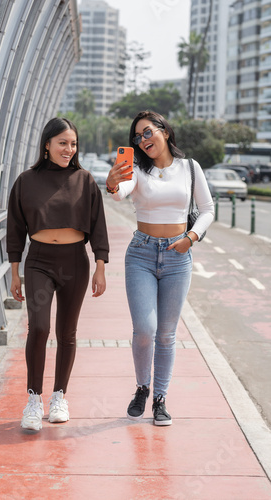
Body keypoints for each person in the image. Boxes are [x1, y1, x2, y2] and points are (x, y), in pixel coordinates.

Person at [106, 110, 214, 426]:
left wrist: (190, 238)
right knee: (145, 330)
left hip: (178, 257)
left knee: (166, 335)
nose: (143, 140)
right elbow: (121, 193)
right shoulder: (137, 170)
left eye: (148, 132)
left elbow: (207, 209)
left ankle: (160, 399)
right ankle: (142, 386)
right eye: (137, 137)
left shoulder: (190, 168)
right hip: (141, 253)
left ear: (165, 131)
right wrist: (113, 184)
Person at [7, 117, 109, 431]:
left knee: (67, 333)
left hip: (75, 262)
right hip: (38, 261)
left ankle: (59, 397)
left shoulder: (85, 179)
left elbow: (97, 226)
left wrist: (100, 265)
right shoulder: (26, 180)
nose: (69, 149)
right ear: (47, 145)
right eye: (62, 143)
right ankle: (33, 400)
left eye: (73, 144)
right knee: (38, 327)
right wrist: (14, 271)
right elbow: (15, 228)